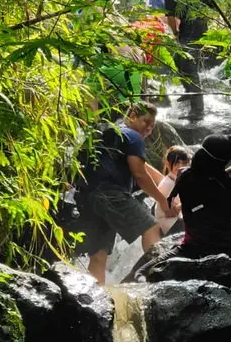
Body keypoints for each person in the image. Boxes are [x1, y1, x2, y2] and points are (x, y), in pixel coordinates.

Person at [74, 101, 179, 284]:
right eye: (145, 121)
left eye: (152, 125)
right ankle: (158, 280)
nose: (148, 128)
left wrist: (171, 184)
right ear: (131, 117)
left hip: (87, 197)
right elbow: (140, 175)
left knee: (99, 255)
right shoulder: (133, 136)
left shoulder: (106, 132)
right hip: (111, 194)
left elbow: (143, 168)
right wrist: (163, 201)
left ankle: (96, 299)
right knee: (151, 228)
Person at [134, 134, 231, 280]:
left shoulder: (184, 176)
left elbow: (206, 178)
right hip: (224, 252)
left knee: (141, 272)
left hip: (190, 247)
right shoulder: (224, 184)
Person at [153, 145, 191, 236]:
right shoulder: (168, 183)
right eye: (177, 163)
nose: (180, 166)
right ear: (167, 163)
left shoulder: (175, 179)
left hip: (173, 221)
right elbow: (170, 209)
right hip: (169, 224)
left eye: (184, 163)